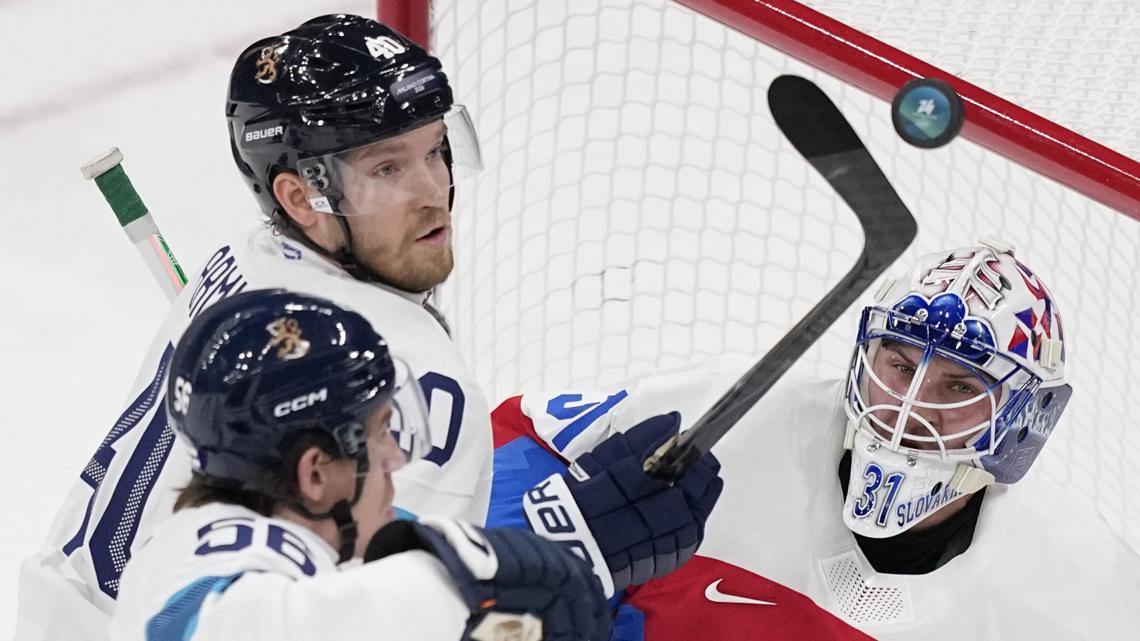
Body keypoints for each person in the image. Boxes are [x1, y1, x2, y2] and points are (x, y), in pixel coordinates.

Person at [17, 14, 721, 641]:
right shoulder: (407, 371)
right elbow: (376, 602)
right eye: (387, 167)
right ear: (300, 197)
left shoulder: (247, 262)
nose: (432, 192)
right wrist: (578, 550)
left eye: (436, 150)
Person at [487, 241, 1140, 639]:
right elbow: (490, 454)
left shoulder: (1081, 591)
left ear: (1025, 420)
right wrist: (552, 544)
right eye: (901, 365)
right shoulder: (723, 420)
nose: (910, 407)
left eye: (957, 387)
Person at [108, 289, 610, 641]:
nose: (395, 459)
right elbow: (214, 626)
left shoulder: (226, 531)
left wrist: (585, 541)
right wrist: (452, 582)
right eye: (380, 433)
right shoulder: (207, 568)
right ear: (315, 474)